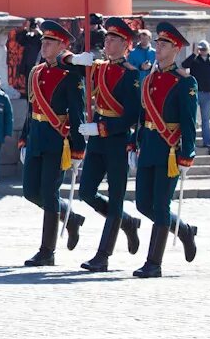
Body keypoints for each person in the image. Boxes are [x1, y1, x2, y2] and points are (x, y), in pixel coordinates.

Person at [71, 17, 143, 272]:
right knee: (87, 192)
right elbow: (64, 63)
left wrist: (101, 128)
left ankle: (103, 255)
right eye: (107, 38)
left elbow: (132, 117)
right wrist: (78, 59)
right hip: (98, 140)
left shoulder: (131, 76)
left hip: (116, 140)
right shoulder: (98, 67)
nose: (107, 42)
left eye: (114, 40)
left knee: (115, 199)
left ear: (126, 45)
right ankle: (126, 223)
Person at [18, 20, 86, 267]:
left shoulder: (71, 75)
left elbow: (78, 114)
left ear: (62, 46)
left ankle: (47, 251)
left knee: (48, 192)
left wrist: (78, 148)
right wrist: (24, 138)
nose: (44, 46)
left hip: (58, 140)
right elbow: (30, 108)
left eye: (49, 42)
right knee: (30, 192)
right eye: (43, 41)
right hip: (36, 136)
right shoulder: (36, 72)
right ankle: (71, 217)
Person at [133, 22, 198, 278]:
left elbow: (189, 122)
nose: (158, 48)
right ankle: (183, 230)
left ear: (176, 48)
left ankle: (153, 263)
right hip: (148, 146)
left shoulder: (184, 81)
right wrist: (133, 144)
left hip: (170, 150)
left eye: (163, 44)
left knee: (161, 206)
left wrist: (187, 154)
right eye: (157, 43)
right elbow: (143, 115)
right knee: (142, 204)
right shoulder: (149, 79)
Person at [182, 40, 210, 149]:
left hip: (208, 94)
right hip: (195, 92)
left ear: (208, 50)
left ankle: (207, 142)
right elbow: (184, 65)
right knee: (192, 118)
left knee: (206, 119)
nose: (202, 51)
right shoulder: (195, 60)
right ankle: (190, 142)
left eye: (204, 49)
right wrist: (194, 54)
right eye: (201, 49)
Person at [15, 18, 44, 97]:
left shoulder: (40, 37)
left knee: (40, 86)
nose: (34, 27)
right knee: (29, 87)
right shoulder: (28, 37)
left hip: (40, 66)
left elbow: (44, 43)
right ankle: (30, 104)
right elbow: (19, 41)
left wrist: (39, 33)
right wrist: (26, 29)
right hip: (28, 66)